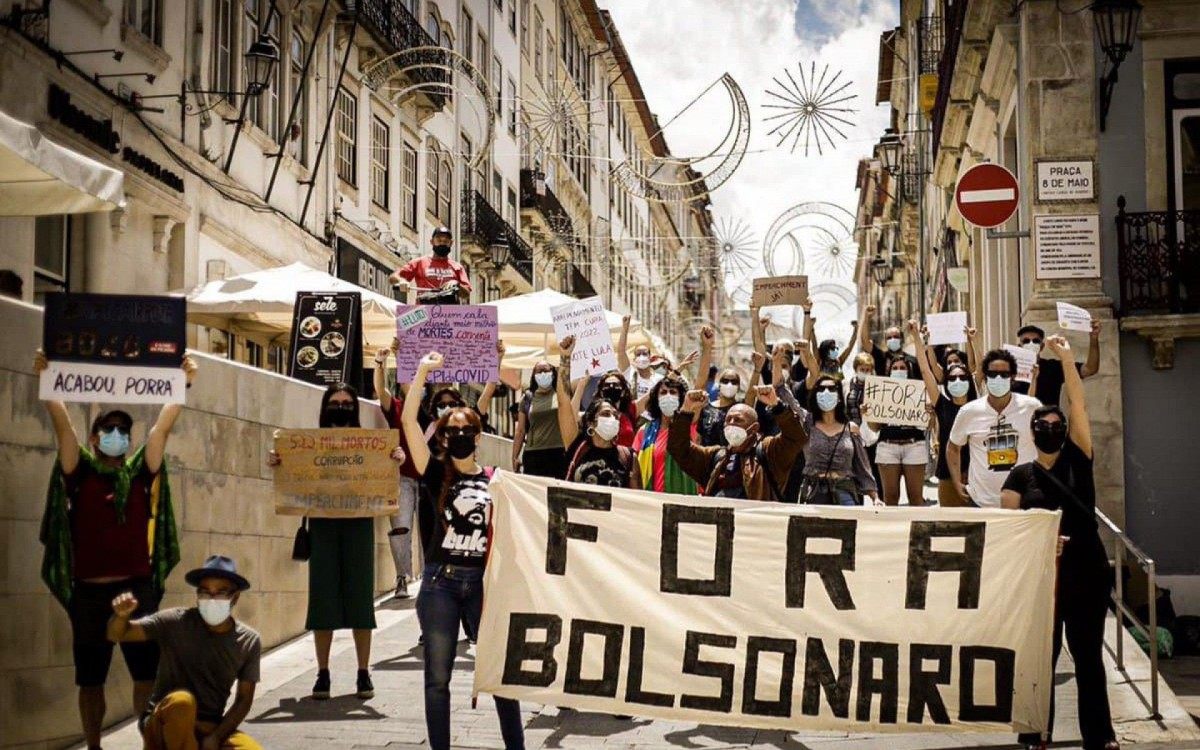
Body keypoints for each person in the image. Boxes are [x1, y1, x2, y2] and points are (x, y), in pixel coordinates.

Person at [35, 350, 195, 750]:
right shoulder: (79, 473)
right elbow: (63, 429)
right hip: (89, 595)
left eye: (123, 430)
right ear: (95, 438)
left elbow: (161, 430)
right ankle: (94, 746)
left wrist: (183, 383)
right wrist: (48, 381)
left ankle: (148, 744)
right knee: (91, 680)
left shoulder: (141, 472)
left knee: (145, 676)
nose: (117, 435)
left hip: (136, 590)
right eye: (109, 429)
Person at [401, 351, 525, 750]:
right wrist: (422, 372)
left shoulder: (496, 479)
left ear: (478, 436)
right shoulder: (434, 471)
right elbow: (407, 421)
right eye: (451, 429)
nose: (459, 434)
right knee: (438, 678)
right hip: (440, 585)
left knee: (499, 675)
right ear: (442, 436)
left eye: (466, 428)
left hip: (482, 587)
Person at [1001, 336, 1118, 750]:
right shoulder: (1019, 477)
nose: (1050, 431)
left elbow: (1080, 406)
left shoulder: (1079, 459)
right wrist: (1041, 548)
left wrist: (1068, 359)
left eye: (1057, 426)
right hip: (1042, 580)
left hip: (1086, 571)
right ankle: (1034, 733)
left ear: (1065, 432)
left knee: (1088, 658)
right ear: (1032, 434)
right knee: (1040, 660)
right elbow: (1009, 532)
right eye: (1043, 427)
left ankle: (1100, 736)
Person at [267, 383, 405, 701]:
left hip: (359, 525)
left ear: (354, 408)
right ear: (325, 406)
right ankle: (323, 672)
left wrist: (394, 459)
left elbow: (385, 478)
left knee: (360, 599)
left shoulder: (370, 444)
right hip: (323, 526)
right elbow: (292, 473)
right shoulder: (309, 444)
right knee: (323, 598)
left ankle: (363, 671)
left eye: (346, 403)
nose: (341, 407)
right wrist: (279, 462)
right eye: (335, 402)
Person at [107, 555, 261, 750]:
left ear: (235, 597)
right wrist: (120, 617)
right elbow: (118, 634)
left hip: (210, 726)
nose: (211, 599)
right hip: (164, 720)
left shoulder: (248, 641)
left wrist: (216, 737)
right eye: (205, 592)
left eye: (220, 593)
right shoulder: (175, 621)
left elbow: (243, 700)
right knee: (182, 702)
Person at [667, 385, 804, 501]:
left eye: (738, 420)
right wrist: (686, 410)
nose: (731, 424)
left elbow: (795, 437)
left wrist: (777, 405)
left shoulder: (768, 451)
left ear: (754, 428)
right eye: (728, 420)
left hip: (754, 522)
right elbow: (679, 449)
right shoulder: (716, 456)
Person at [947, 349, 1043, 507]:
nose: (998, 378)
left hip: (1024, 502)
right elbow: (953, 447)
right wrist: (956, 482)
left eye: (1004, 374)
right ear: (985, 377)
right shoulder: (969, 411)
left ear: (1012, 377)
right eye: (992, 374)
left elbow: (1045, 446)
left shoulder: (1032, 407)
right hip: (981, 502)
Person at [556, 338, 641, 488]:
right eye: (606, 414)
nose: (613, 418)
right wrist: (565, 359)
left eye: (615, 416)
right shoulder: (577, 447)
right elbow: (564, 404)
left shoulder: (628, 457)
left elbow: (636, 499)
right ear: (591, 422)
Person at [869, 323, 928, 506]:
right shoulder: (881, 392)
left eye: (903, 368)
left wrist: (930, 414)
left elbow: (927, 424)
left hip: (914, 444)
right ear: (889, 372)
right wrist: (868, 414)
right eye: (895, 368)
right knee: (890, 498)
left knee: (916, 499)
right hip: (887, 446)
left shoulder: (918, 392)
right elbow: (874, 427)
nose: (899, 371)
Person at [915, 331, 976, 508]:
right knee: (950, 522)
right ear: (947, 383)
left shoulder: (979, 407)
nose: (957, 381)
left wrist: (973, 341)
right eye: (952, 378)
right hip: (947, 475)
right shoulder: (942, 404)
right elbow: (925, 370)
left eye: (962, 378)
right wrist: (918, 339)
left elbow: (977, 367)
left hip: (976, 474)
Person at [797, 375, 879, 505]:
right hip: (815, 493)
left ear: (839, 396)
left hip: (845, 491)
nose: (826, 392)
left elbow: (862, 465)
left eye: (831, 389)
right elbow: (787, 399)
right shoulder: (808, 423)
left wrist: (875, 498)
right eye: (821, 389)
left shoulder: (851, 428)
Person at [633, 375, 700, 494]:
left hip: (681, 499)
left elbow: (701, 385)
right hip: (651, 499)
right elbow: (635, 468)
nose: (668, 396)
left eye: (673, 392)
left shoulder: (688, 427)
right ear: (656, 399)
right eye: (663, 392)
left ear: (681, 399)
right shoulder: (644, 432)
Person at [1010, 321, 1101, 406]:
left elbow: (1089, 369)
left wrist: (1094, 338)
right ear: (1019, 346)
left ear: (1042, 346)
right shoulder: (1010, 369)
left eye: (1035, 341)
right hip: (1019, 416)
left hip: (1049, 416)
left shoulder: (1053, 367)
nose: (1031, 344)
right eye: (1026, 341)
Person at [512, 357, 567, 478]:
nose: (542, 374)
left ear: (553, 373)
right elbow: (520, 431)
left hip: (558, 453)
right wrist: (514, 456)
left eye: (546, 370)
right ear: (534, 376)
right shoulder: (527, 398)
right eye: (539, 371)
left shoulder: (561, 395)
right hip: (533, 455)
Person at [388, 226, 472, 304]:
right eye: (439, 240)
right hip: (424, 310)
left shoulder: (457, 267)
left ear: (451, 243)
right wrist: (402, 281)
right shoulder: (419, 263)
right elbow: (393, 277)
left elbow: (466, 293)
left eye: (446, 241)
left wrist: (456, 284)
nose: (442, 244)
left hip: (449, 312)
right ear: (432, 242)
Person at [859, 304, 918, 375]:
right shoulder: (881, 357)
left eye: (896, 337)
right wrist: (866, 318)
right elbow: (865, 341)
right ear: (886, 341)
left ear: (902, 339)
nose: (893, 339)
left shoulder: (912, 361)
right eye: (889, 338)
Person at [616, 314, 662, 402]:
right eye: (638, 354)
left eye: (645, 354)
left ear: (650, 358)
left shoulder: (659, 379)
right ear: (634, 360)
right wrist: (625, 329)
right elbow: (621, 351)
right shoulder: (629, 373)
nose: (641, 356)